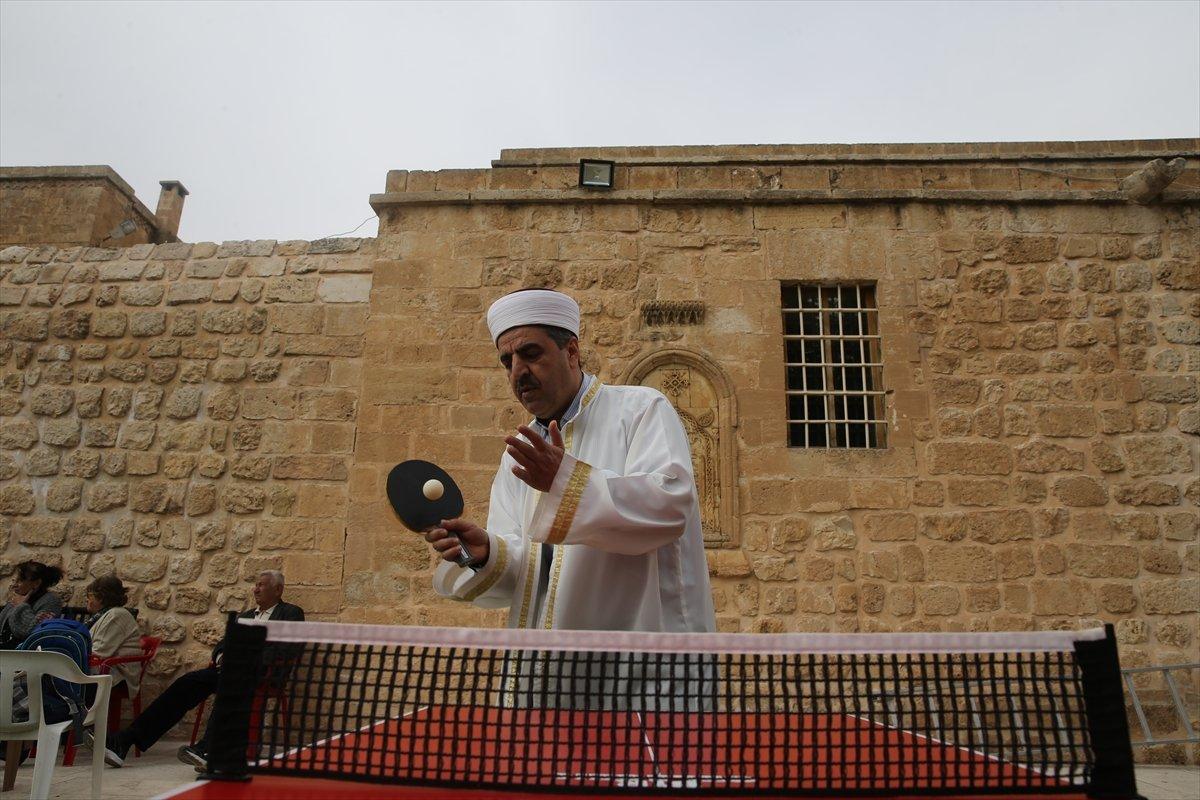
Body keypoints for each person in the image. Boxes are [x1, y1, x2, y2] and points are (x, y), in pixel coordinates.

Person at [425, 289, 716, 634]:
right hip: (547, 664)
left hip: (640, 668)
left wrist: (564, 480)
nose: (518, 372)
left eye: (530, 354)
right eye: (507, 361)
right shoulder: (519, 452)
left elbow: (670, 507)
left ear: (572, 352)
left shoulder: (641, 410)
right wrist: (487, 553)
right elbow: (525, 573)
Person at [99, 570, 304, 770]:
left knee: (229, 685)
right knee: (187, 683)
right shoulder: (246, 616)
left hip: (264, 675)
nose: (255, 589)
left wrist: (246, 661)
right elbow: (223, 644)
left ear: (278, 590)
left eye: (261, 585)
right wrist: (222, 657)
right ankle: (125, 740)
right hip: (229, 672)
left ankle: (208, 750)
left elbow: (288, 648)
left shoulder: (291, 613)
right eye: (256, 585)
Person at [84, 575, 142, 697]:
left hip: (118, 676)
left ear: (101, 598)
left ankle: (77, 715)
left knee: (59, 679)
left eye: (90, 596)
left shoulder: (115, 615)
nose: (87, 600)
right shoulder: (104, 615)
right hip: (105, 669)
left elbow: (99, 653)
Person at [0, 560, 64, 649]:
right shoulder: (18, 598)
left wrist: (21, 606)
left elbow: (31, 631)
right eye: (15, 580)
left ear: (36, 583)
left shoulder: (50, 601)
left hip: (25, 656)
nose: (14, 585)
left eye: (20, 580)